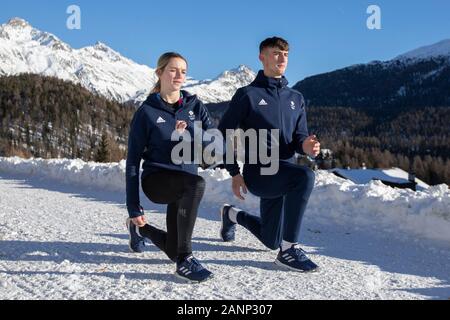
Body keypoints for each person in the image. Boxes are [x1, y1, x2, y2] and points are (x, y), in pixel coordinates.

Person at [218, 37, 321, 272]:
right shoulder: (247, 95)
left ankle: (231, 215)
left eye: (285, 54)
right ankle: (289, 250)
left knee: (270, 239)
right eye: (276, 53)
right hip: (261, 174)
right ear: (261, 57)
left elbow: (299, 138)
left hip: (285, 173)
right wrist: (234, 172)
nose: (282, 58)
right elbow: (222, 135)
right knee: (305, 176)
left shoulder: (296, 98)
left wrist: (307, 147)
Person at [125, 52, 214, 283]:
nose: (179, 75)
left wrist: (192, 131)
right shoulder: (146, 112)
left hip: (185, 183)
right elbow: (133, 161)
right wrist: (133, 206)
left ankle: (140, 231)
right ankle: (186, 261)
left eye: (183, 71)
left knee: (173, 249)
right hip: (158, 181)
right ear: (160, 73)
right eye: (173, 70)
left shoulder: (196, 106)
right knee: (197, 184)